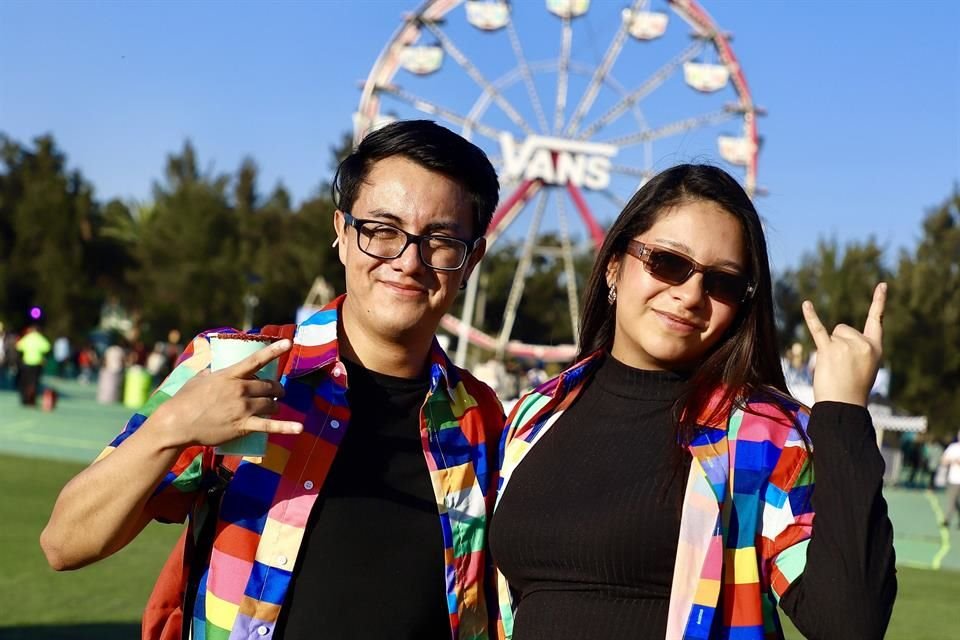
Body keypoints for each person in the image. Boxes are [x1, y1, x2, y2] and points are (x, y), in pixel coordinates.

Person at [41, 120, 506, 639]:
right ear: (342, 233)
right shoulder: (241, 366)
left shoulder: (481, 419)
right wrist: (171, 427)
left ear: (472, 260)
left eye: (441, 241)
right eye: (382, 230)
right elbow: (65, 543)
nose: (407, 261)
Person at [488, 165, 896, 640]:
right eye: (667, 262)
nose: (690, 295)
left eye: (722, 282)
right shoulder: (534, 416)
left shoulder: (761, 435)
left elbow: (849, 622)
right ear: (614, 265)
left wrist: (844, 413)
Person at [15, 323, 51, 406]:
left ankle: (25, 398)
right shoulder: (40, 338)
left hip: (26, 362)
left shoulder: (27, 337)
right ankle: (31, 397)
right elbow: (47, 348)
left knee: (25, 381)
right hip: (37, 363)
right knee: (34, 382)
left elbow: (18, 347)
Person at [940, 432, 960, 527]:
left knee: (956, 501)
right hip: (954, 479)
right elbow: (943, 461)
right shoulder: (953, 447)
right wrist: (953, 461)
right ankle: (947, 520)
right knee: (952, 501)